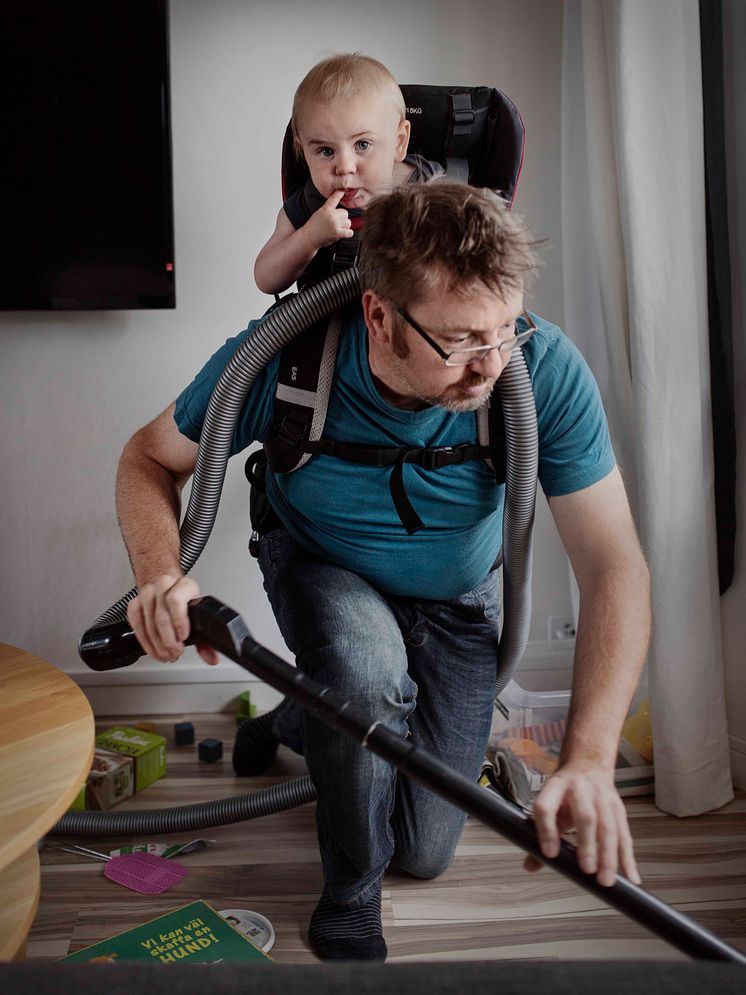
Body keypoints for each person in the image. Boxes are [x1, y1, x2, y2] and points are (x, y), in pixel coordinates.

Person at [117, 181, 651, 963]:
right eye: (463, 340)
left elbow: (616, 564)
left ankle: (302, 718)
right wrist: (160, 573)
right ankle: (349, 892)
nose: (492, 365)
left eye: (504, 331)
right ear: (379, 316)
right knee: (366, 672)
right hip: (324, 566)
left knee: (427, 849)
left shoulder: (539, 371)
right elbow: (147, 458)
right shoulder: (284, 355)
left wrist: (591, 758)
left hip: (456, 596)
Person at [254, 52, 442, 295]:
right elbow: (265, 279)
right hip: (328, 321)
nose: (344, 167)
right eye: (325, 150)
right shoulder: (311, 204)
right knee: (248, 335)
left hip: (403, 320)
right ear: (303, 150)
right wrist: (309, 238)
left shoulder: (430, 188)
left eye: (362, 145)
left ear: (399, 142)